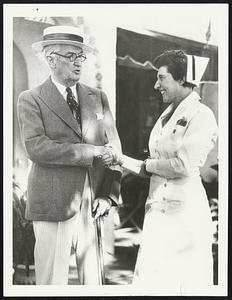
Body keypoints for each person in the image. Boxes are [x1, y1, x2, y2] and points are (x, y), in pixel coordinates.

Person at [103, 50, 218, 293]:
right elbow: (152, 167)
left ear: (182, 79)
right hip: (157, 212)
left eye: (161, 78)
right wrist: (119, 158)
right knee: (154, 283)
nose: (156, 85)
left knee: (183, 284)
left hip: (184, 216)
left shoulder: (202, 115)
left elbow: (183, 165)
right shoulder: (166, 115)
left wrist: (149, 166)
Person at [17, 25, 122, 285]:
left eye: (81, 57)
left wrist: (109, 195)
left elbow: (114, 148)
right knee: (51, 281)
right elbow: (36, 148)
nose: (78, 64)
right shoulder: (31, 99)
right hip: (52, 203)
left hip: (93, 203)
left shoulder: (98, 97)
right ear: (51, 59)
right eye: (71, 56)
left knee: (94, 282)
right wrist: (91, 152)